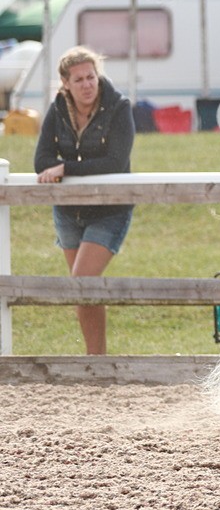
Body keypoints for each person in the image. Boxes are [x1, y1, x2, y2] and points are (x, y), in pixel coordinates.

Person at [34, 47, 135, 355]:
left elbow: (116, 161)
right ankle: (94, 359)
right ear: (65, 83)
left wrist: (66, 168)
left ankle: (97, 360)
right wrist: (57, 168)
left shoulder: (118, 106)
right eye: (78, 79)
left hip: (110, 208)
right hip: (68, 209)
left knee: (84, 280)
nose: (87, 84)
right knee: (82, 289)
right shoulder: (58, 108)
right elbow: (41, 161)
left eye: (91, 76)